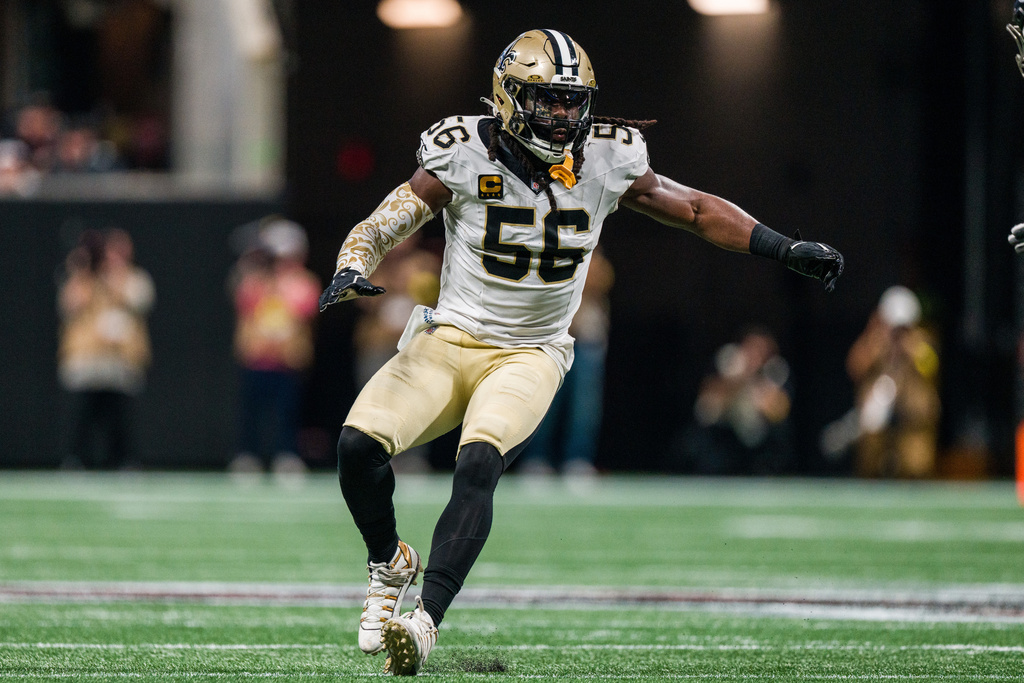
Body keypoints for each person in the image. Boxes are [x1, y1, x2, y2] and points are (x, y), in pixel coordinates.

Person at [318, 29, 844, 676]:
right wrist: (353, 258)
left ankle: (424, 620)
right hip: (450, 338)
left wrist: (781, 247)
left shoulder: (608, 157)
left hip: (531, 352)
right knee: (357, 447)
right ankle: (388, 561)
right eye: (549, 100)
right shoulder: (459, 149)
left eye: (573, 101)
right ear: (510, 99)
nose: (564, 115)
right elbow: (393, 215)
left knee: (478, 462)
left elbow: (698, 209)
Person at [228, 217, 321, 478]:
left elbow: (304, 307)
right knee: (251, 411)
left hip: (288, 359)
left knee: (287, 412)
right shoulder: (255, 281)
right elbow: (243, 298)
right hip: (257, 357)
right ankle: (247, 456)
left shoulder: (304, 281)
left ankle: (287, 455)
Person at [57, 228, 155, 470]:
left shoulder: (134, 278)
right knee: (85, 412)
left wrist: (115, 276)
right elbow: (71, 304)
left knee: (119, 414)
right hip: (89, 357)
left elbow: (139, 300)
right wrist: (81, 271)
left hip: (120, 358)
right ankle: (77, 459)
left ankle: (123, 461)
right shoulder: (84, 279)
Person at [517, 246, 613, 477]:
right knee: (543, 402)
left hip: (586, 342)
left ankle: (578, 459)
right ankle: (536, 459)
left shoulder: (597, 260)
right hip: (550, 339)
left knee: (584, 407)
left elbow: (597, 281)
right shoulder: (546, 250)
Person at [843, 286, 940, 478]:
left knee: (915, 465)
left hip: (912, 421)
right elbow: (855, 367)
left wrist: (910, 347)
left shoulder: (921, 343)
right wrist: (876, 341)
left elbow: (931, 367)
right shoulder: (874, 341)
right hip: (876, 426)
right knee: (870, 463)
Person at [684, 328, 795, 475]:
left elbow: (780, 412)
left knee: (780, 434)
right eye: (751, 347)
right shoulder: (727, 365)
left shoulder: (775, 372)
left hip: (758, 439)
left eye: (761, 350)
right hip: (724, 436)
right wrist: (737, 381)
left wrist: (760, 393)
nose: (755, 354)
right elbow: (706, 403)